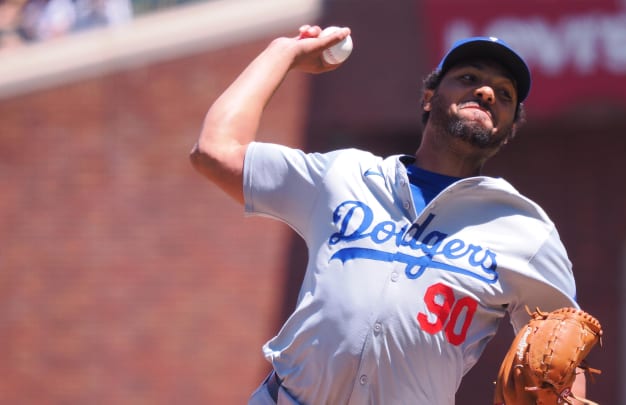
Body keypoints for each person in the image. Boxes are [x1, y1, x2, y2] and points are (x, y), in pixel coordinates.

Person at [190, 25, 586, 404]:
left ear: (509, 128)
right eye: (468, 78)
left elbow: (564, 351)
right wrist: (284, 52)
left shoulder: (524, 229)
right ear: (429, 96)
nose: (485, 92)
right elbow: (216, 152)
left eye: (504, 94)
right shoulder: (345, 175)